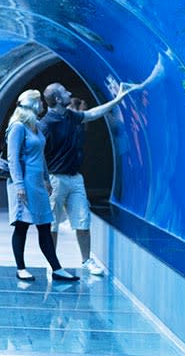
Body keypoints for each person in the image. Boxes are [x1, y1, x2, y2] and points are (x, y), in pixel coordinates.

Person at [42, 56, 163, 275]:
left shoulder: (71, 116)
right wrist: (42, 181)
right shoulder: (45, 125)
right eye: (64, 91)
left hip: (75, 178)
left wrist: (117, 100)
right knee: (52, 224)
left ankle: (86, 260)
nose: (69, 92)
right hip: (54, 179)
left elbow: (92, 114)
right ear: (58, 99)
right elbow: (38, 155)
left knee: (82, 220)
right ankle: (53, 263)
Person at [4, 90, 77, 283]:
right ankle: (21, 268)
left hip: (37, 183)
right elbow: (13, 159)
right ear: (32, 104)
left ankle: (57, 268)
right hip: (23, 183)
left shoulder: (35, 125)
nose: (42, 105)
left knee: (45, 225)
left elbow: (41, 155)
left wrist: (46, 177)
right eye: (39, 102)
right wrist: (19, 185)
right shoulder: (18, 127)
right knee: (22, 226)